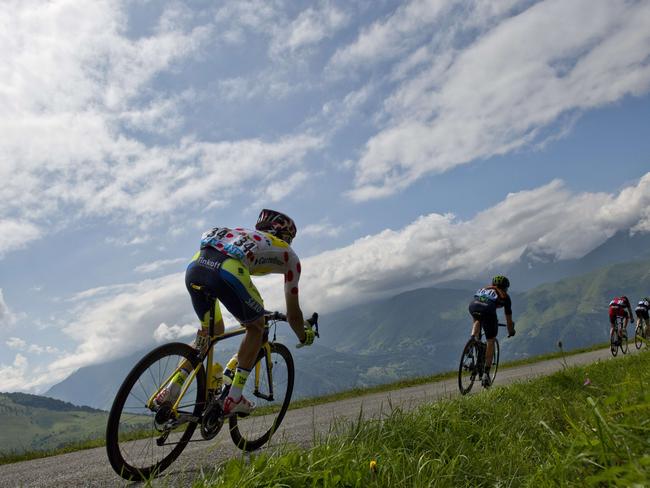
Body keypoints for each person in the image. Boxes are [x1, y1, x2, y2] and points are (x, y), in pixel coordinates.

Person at [155, 209, 315, 416]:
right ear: (285, 236)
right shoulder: (289, 256)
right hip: (227, 271)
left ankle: (172, 389)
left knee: (211, 331)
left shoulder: (241, 233)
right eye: (289, 239)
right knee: (256, 327)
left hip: (196, 266)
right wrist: (304, 335)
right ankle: (234, 396)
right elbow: (293, 314)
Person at [468, 275, 515, 387]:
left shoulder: (484, 289)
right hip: (488, 309)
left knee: (477, 320)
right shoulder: (505, 297)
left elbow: (479, 303)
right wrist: (511, 331)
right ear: (505, 288)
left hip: (473, 305)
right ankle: (486, 374)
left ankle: (472, 341)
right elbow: (509, 320)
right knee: (490, 340)